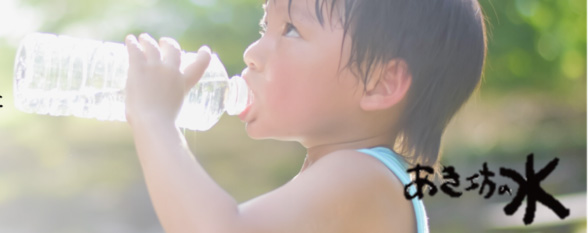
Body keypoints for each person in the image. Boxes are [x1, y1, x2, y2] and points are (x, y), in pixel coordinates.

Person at [122, 0, 487, 232]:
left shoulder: (362, 177)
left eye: (291, 30)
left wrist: (155, 120)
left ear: (381, 83)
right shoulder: (346, 176)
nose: (252, 53)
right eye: (266, 26)